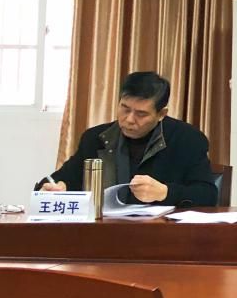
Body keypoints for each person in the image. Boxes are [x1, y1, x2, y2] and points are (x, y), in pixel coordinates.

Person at [37, 71, 217, 206]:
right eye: (125, 109)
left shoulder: (187, 139)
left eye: (141, 114)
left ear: (161, 114)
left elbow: (207, 195)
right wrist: (54, 188)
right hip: (105, 233)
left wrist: (165, 193)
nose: (129, 119)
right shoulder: (96, 138)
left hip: (162, 234)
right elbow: (58, 180)